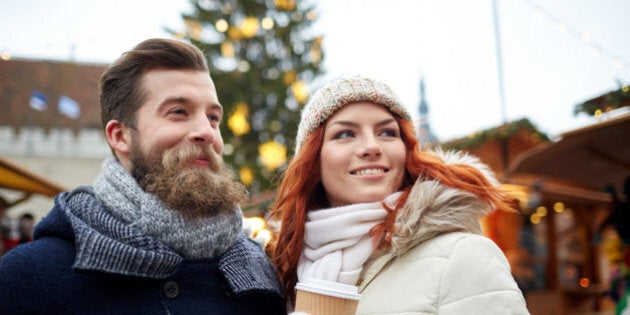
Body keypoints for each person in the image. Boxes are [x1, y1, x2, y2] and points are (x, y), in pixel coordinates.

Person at [0, 38, 285, 314]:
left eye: (213, 117)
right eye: (178, 112)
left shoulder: (262, 272)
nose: (208, 132)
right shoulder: (31, 277)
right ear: (120, 136)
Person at [270, 75, 529, 314]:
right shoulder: (287, 272)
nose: (371, 146)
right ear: (313, 160)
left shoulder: (462, 256)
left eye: (387, 132)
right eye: (346, 133)